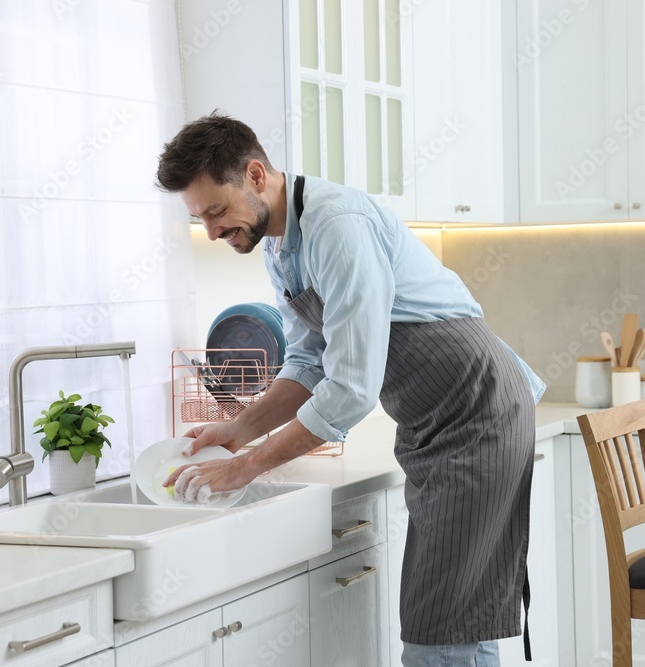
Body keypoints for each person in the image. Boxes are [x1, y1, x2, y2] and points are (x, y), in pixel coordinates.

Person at [157, 112, 545, 667]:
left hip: (477, 415)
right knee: (461, 618)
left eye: (216, 211)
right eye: (201, 219)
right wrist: (236, 430)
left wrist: (246, 466)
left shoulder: (337, 225)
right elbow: (308, 362)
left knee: (438, 632)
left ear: (256, 174)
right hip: (438, 425)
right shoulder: (278, 244)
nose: (213, 231)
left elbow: (351, 388)